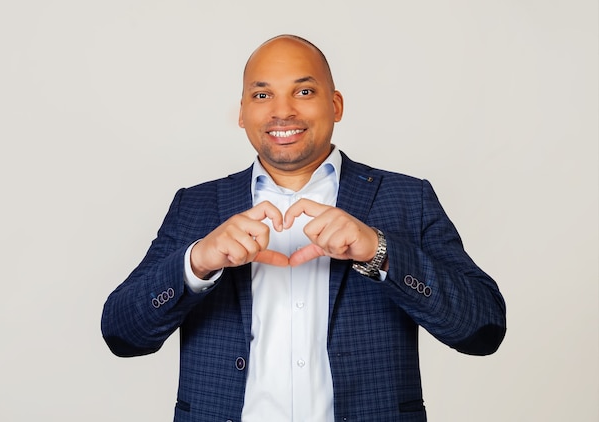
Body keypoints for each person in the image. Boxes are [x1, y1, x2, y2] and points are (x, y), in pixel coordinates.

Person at [101, 34, 506, 422]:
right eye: (262, 95)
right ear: (242, 113)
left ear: (336, 104)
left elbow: (483, 330)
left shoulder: (405, 198)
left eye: (304, 91)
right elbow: (122, 335)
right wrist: (196, 263)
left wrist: (380, 251)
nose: (283, 111)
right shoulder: (196, 205)